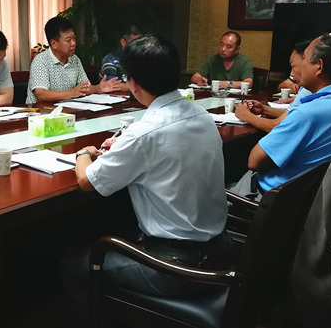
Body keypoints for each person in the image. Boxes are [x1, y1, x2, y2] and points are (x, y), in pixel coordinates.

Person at [60, 34, 230, 316]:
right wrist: (126, 145)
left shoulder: (144, 133)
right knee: (121, 228)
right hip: (220, 252)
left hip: (177, 268)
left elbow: (86, 181)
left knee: (73, 262)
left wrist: (83, 153)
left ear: (133, 83)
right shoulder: (201, 115)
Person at [230, 32, 331, 198]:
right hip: (314, 196)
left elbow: (254, 161)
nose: (300, 66)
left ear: (319, 66)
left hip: (271, 198)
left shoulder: (308, 113)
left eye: (305, 59)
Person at [26, 16, 121, 104]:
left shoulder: (74, 59)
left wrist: (98, 88)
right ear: (54, 43)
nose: (73, 43)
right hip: (41, 113)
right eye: (68, 40)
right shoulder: (41, 60)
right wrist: (72, 92)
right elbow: (41, 94)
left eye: (74, 39)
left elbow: (84, 87)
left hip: (67, 111)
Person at [234, 39, 313, 132]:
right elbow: (291, 114)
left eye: (293, 66)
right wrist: (263, 109)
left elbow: (277, 125)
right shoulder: (310, 88)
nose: (291, 73)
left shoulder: (309, 89)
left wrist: (246, 115)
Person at [98, 24, 142, 92]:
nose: (139, 47)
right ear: (123, 42)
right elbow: (110, 86)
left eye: (141, 43)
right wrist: (140, 86)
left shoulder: (142, 58)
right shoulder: (110, 60)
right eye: (135, 44)